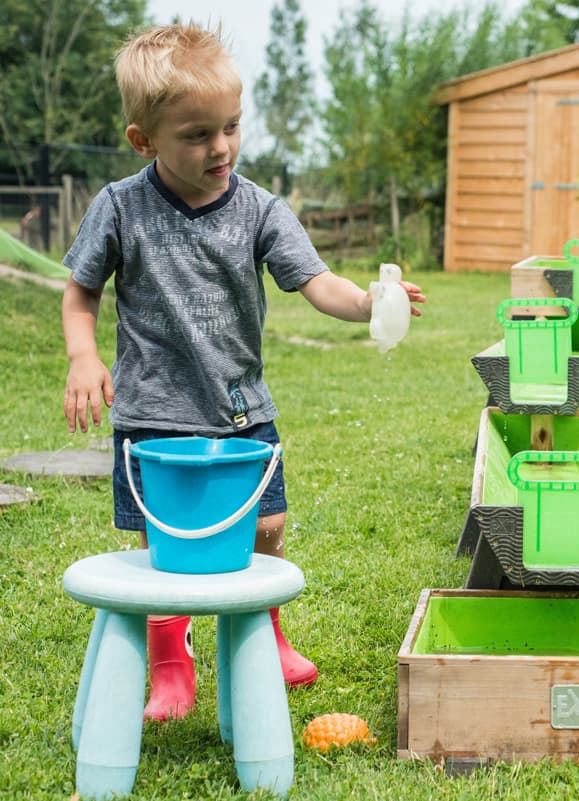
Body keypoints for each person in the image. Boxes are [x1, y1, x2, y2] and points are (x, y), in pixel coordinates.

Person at [61, 22, 425, 722]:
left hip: (239, 408)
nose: (221, 147)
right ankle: (171, 665)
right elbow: (81, 290)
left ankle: (265, 632)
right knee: (163, 545)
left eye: (230, 126)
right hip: (153, 415)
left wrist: (370, 302)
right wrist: (84, 354)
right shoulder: (120, 207)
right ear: (145, 141)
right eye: (197, 134)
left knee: (267, 527)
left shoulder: (258, 207)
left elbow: (315, 280)